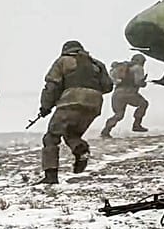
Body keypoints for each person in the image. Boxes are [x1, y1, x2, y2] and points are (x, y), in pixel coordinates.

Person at [35, 40, 113, 184]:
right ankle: (81, 150)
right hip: (94, 104)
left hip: (71, 101)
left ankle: (51, 176)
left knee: (51, 137)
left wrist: (45, 107)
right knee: (72, 133)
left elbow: (52, 86)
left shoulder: (63, 61)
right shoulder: (97, 64)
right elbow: (108, 87)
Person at [100, 53, 149, 138]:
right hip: (129, 93)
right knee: (143, 103)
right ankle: (137, 124)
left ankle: (106, 130)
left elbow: (113, 80)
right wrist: (144, 83)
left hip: (117, 94)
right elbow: (138, 82)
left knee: (119, 114)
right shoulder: (138, 68)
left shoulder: (119, 68)